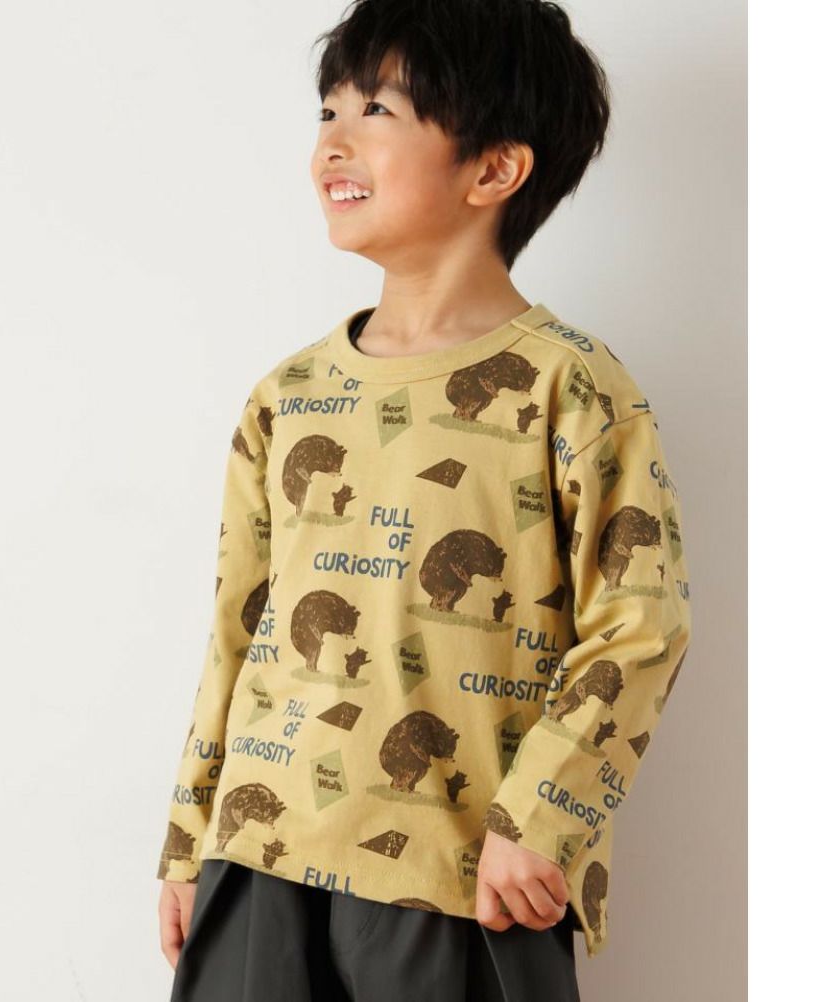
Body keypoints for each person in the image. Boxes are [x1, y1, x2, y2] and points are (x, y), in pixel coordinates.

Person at [156, 1, 693, 998]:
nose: (332, 143)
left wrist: (543, 819)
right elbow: (239, 627)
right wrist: (191, 838)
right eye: (327, 111)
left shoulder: (571, 388)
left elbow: (640, 626)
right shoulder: (287, 396)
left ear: (494, 169)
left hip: (459, 867)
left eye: (377, 110)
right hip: (259, 854)